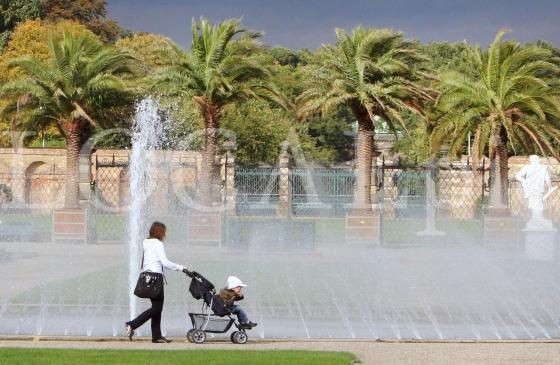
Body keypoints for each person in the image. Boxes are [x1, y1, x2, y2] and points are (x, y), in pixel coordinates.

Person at [125, 221, 190, 343]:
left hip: (147, 277)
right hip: (155, 279)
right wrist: (181, 267)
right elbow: (165, 262)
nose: (165, 235)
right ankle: (132, 324)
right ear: (160, 233)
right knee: (156, 308)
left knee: (156, 307)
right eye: (164, 232)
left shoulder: (146, 243)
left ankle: (156, 336)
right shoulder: (158, 244)